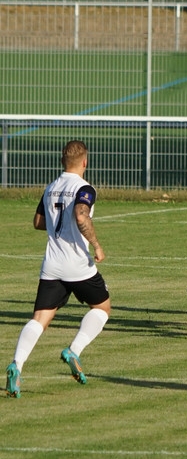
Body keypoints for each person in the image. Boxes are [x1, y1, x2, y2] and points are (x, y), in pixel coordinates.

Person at [5, 140, 111, 398]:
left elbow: (38, 222)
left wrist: (58, 224)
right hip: (78, 265)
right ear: (85, 162)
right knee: (102, 308)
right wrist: (96, 245)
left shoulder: (51, 187)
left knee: (40, 319)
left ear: (62, 161)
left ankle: (16, 365)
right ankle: (74, 350)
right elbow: (81, 215)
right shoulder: (84, 188)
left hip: (52, 266)